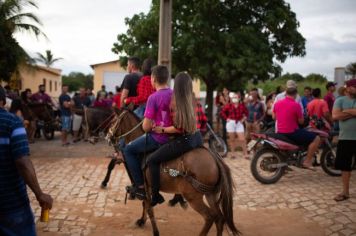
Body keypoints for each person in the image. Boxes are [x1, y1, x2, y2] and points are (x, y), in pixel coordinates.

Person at [0, 86, 53, 235]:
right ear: (4, 101)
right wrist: (39, 194)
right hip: (10, 203)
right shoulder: (12, 122)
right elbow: (22, 161)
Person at [147, 72, 204, 206]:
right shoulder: (193, 100)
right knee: (176, 165)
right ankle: (178, 194)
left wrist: (162, 130)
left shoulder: (176, 102)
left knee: (153, 160)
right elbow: (202, 121)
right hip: (197, 138)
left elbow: (178, 128)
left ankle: (155, 195)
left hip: (184, 141)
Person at [123, 65, 172, 200]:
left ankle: (139, 187)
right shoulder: (174, 94)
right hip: (173, 137)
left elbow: (145, 127)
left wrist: (150, 125)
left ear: (153, 78)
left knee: (128, 150)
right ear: (166, 78)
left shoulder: (153, 97)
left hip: (158, 138)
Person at [273, 84, 321, 169]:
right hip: (291, 132)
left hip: (280, 131)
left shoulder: (277, 103)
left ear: (286, 94)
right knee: (316, 138)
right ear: (295, 95)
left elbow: (274, 117)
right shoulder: (296, 105)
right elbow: (301, 121)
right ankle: (307, 162)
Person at [332, 79, 356, 202]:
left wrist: (344, 112)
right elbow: (335, 116)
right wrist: (353, 113)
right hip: (346, 138)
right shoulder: (340, 100)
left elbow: (340, 114)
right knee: (345, 166)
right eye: (355, 87)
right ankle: (345, 192)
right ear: (348, 88)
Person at [220, 93, 249, 159]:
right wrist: (227, 118)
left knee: (242, 139)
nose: (235, 99)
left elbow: (247, 113)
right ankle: (233, 153)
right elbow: (222, 112)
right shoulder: (229, 105)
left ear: (239, 98)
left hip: (239, 122)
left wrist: (243, 119)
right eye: (233, 97)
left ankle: (245, 153)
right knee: (232, 139)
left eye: (236, 97)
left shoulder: (242, 106)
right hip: (231, 122)